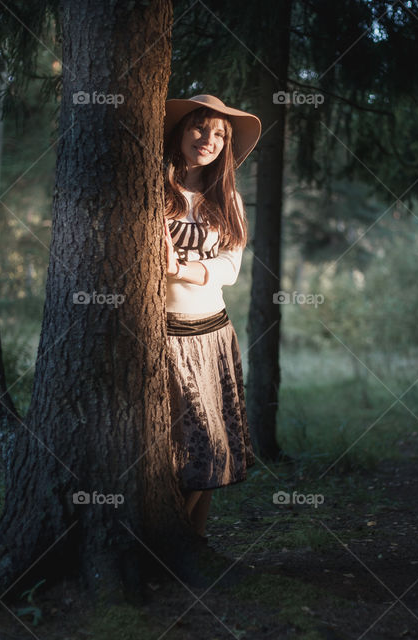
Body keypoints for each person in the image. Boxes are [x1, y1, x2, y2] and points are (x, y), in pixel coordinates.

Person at [161, 94, 260, 540]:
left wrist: (180, 268)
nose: (208, 139)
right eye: (199, 128)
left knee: (212, 441)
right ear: (179, 132)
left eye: (220, 134)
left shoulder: (228, 199)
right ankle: (173, 543)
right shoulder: (155, 191)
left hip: (213, 333)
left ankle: (191, 542)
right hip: (164, 335)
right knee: (177, 447)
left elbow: (230, 269)